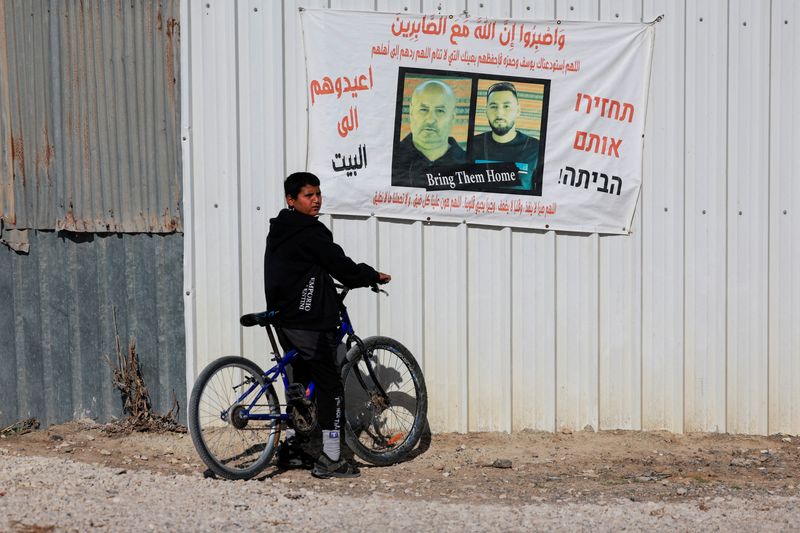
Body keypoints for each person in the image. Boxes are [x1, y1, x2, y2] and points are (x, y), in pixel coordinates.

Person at [264, 171, 391, 478]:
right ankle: (331, 458)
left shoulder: (280, 229)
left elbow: (299, 269)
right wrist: (370, 275)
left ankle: (296, 447)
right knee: (330, 384)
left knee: (302, 383)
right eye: (309, 195)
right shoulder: (310, 231)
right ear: (291, 200)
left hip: (283, 317)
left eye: (318, 194)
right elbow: (342, 267)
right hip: (308, 320)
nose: (316, 199)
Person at [391, 79, 466, 187]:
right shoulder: (390, 157)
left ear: (453, 117)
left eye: (440, 111)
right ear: (411, 112)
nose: (430, 119)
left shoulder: (468, 163)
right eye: (423, 110)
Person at [468, 81, 540, 192]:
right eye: (493, 106)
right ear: (486, 111)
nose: (499, 113)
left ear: (518, 111)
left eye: (506, 106)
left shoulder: (536, 148)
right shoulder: (471, 145)